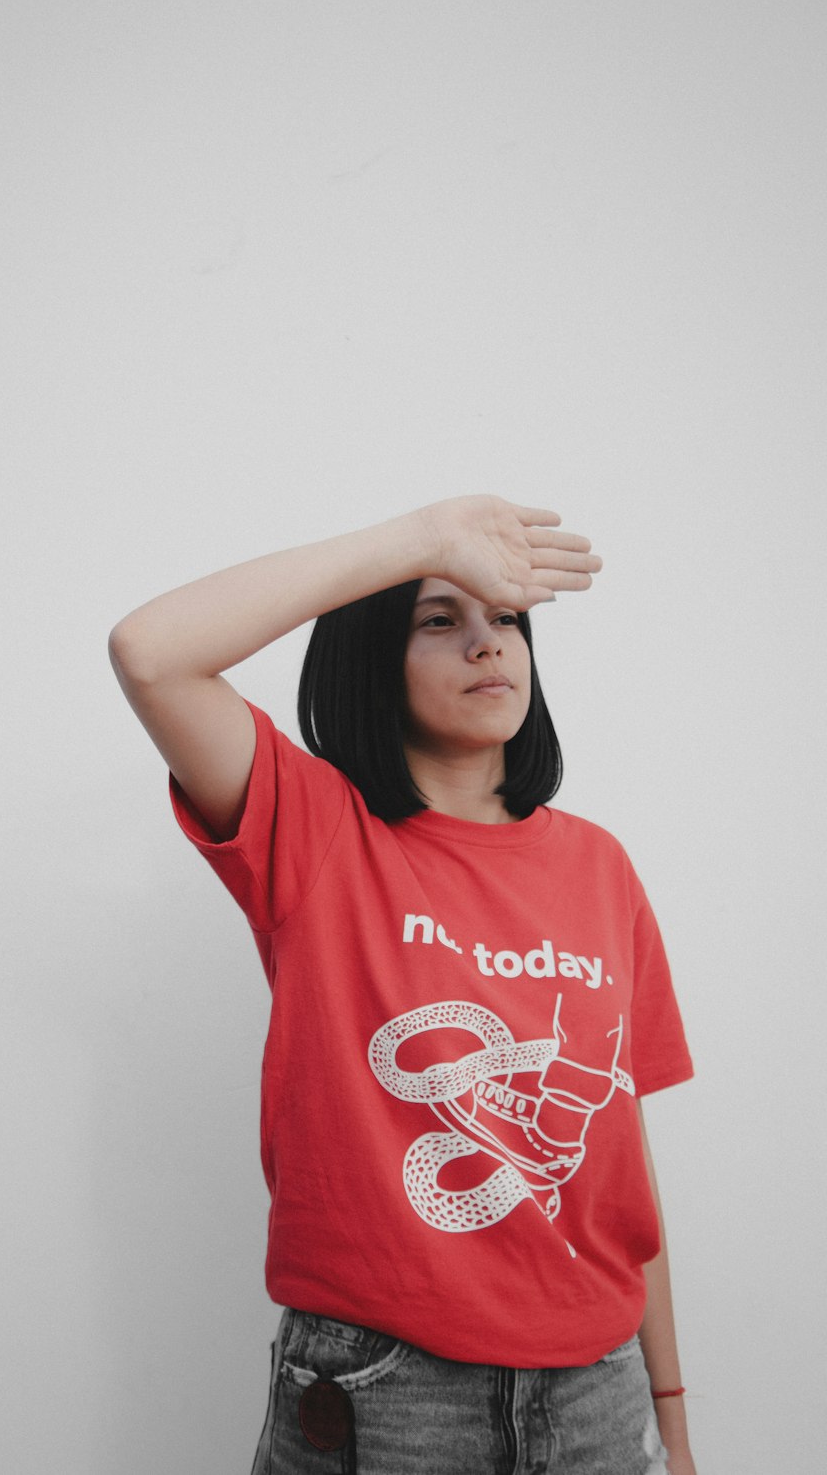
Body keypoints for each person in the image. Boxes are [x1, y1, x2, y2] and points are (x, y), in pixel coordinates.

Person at [107, 494, 697, 1475]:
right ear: (373, 655)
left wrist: (667, 1408)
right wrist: (423, 538)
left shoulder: (600, 867)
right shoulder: (316, 832)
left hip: (599, 1385)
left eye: (505, 619)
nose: (487, 646)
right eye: (440, 619)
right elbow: (150, 651)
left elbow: (619, 1156)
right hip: (386, 1392)